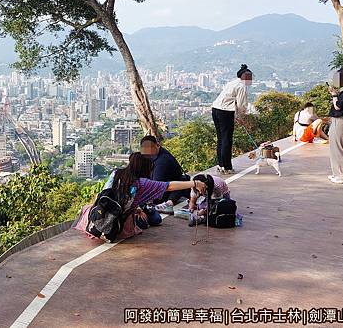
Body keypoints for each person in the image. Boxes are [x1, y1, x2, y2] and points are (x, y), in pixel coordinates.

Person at [74, 153, 206, 239]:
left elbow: (105, 193)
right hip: (118, 225)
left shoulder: (116, 173)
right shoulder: (142, 183)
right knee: (153, 219)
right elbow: (169, 186)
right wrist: (194, 183)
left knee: (86, 208)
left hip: (99, 215)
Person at [212, 64, 252, 174]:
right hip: (225, 112)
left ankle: (221, 165)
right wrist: (240, 116)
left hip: (215, 109)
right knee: (227, 139)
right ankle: (227, 167)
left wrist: (237, 115)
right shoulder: (242, 86)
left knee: (221, 138)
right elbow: (241, 105)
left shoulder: (232, 82)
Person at [140, 135, 189, 214]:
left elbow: (156, 185)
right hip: (169, 186)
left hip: (169, 190)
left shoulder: (162, 161)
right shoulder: (155, 154)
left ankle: (168, 203)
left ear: (157, 145)